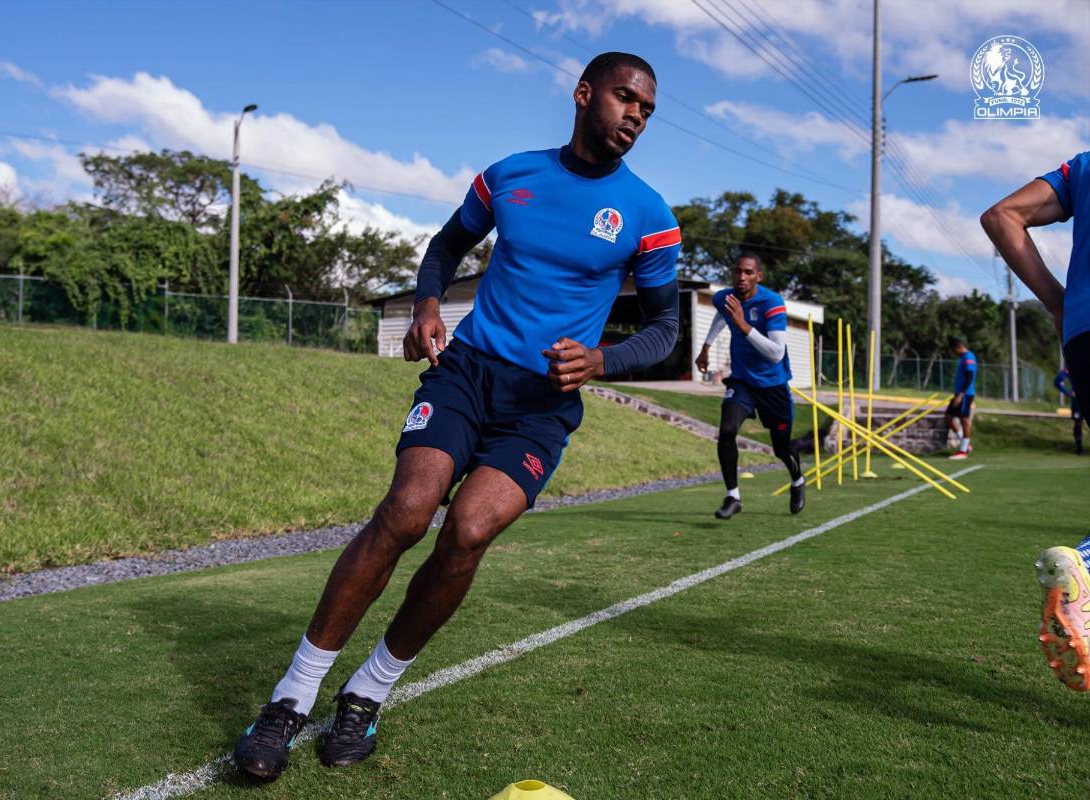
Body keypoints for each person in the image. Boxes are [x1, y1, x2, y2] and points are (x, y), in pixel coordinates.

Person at [232, 51, 683, 778]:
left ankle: (367, 694)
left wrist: (603, 360)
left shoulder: (650, 216)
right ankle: (290, 699)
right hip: (467, 373)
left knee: (468, 530)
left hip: (541, 406)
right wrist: (427, 305)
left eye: (647, 109)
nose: (635, 115)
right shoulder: (510, 175)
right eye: (626, 98)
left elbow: (665, 330)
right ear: (584, 94)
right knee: (408, 510)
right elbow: (446, 246)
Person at [981, 149, 1090, 691]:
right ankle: (1086, 570)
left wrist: (1056, 302)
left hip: (1084, 337)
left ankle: (1085, 575)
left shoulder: (1086, 166)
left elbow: (1001, 215)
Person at [694, 253, 804, 519]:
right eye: (737, 272)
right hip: (742, 381)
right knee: (727, 430)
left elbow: (776, 353)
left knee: (781, 448)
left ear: (758, 276)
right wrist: (706, 346)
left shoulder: (772, 303)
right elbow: (722, 315)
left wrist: (744, 327)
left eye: (748, 272)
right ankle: (733, 496)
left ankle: (797, 480)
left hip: (773, 386)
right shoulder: (725, 297)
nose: (741, 277)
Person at [944, 338, 978, 460]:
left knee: (964, 420)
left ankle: (963, 452)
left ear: (958, 347)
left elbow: (970, 377)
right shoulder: (963, 358)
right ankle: (965, 443)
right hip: (959, 393)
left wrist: (961, 395)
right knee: (948, 417)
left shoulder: (968, 357)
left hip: (965, 394)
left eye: (954, 351)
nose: (954, 354)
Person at [1053, 367, 1083, 455]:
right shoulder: (1072, 366)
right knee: (1078, 423)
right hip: (1078, 402)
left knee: (1078, 424)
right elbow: (1057, 381)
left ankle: (1079, 449)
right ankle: (1079, 449)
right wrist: (1068, 393)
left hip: (1078, 402)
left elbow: (1057, 382)